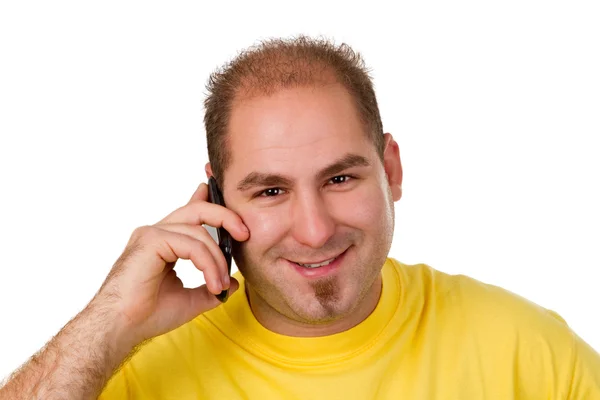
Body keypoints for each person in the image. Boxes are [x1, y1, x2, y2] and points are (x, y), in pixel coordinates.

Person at [1, 36, 599, 400]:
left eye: (340, 179)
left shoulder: (529, 352)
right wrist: (108, 321)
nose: (314, 231)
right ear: (215, 196)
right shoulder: (126, 367)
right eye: (270, 192)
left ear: (390, 168)